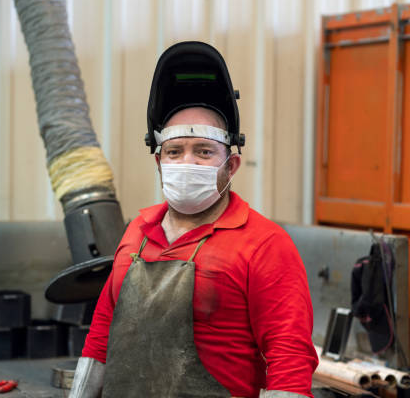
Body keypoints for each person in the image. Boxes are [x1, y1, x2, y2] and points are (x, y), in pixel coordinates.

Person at [70, 41, 318, 398]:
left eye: (203, 152)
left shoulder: (264, 244)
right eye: (174, 152)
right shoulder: (136, 232)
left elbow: (289, 358)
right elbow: (101, 334)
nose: (187, 162)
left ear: (230, 165)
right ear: (159, 163)